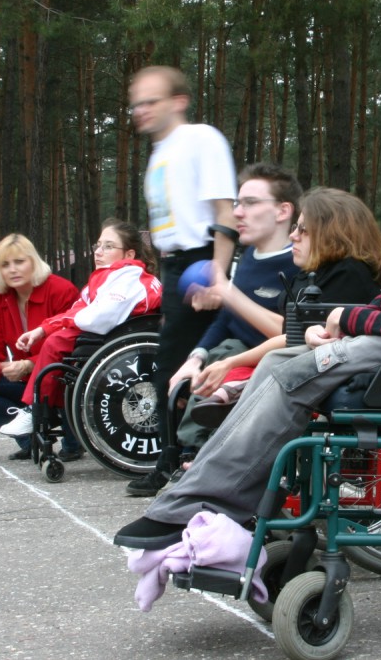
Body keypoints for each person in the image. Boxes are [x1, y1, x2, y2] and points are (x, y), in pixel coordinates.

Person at [114, 121, 381, 550]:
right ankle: (203, 494)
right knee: (277, 360)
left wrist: (348, 319)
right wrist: (332, 325)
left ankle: (199, 504)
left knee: (292, 372)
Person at [188, 187, 381, 429]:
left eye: (303, 230)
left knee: (236, 368)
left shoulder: (349, 274)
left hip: (333, 370)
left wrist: (232, 362)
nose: (293, 236)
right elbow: (290, 334)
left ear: (333, 233)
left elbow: (296, 340)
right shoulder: (311, 273)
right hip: (304, 365)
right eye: (296, 227)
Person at [125, 65, 239, 496]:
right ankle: (177, 458)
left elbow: (224, 211)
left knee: (182, 367)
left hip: (201, 262)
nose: (141, 110)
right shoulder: (160, 152)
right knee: (170, 364)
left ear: (179, 101)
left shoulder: (201, 139)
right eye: (136, 104)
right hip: (174, 266)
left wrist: (218, 275)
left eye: (150, 101)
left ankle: (176, 462)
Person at [157, 163, 301, 469]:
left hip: (270, 373)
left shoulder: (299, 262)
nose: (237, 213)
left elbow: (293, 334)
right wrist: (195, 358)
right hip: (232, 365)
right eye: (237, 203)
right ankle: (187, 459)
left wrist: (226, 291)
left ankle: (202, 463)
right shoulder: (248, 258)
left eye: (250, 203)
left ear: (282, 211)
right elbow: (227, 320)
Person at [0, 219, 163, 440]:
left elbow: (98, 318)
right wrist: (43, 329)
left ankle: (37, 409)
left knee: (56, 344)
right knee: (55, 340)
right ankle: (47, 409)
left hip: (120, 338)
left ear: (129, 254)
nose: (99, 252)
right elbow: (77, 310)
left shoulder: (129, 279)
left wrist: (63, 325)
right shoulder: (107, 277)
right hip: (112, 335)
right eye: (98, 245)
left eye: (108, 246)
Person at [0, 234, 80, 461]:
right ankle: (29, 440)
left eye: (19, 262)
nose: (12, 269)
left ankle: (73, 440)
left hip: (62, 378)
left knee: (65, 378)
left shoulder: (61, 290)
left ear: (33, 262)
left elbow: (73, 348)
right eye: (5, 264)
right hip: (26, 381)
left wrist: (29, 364)